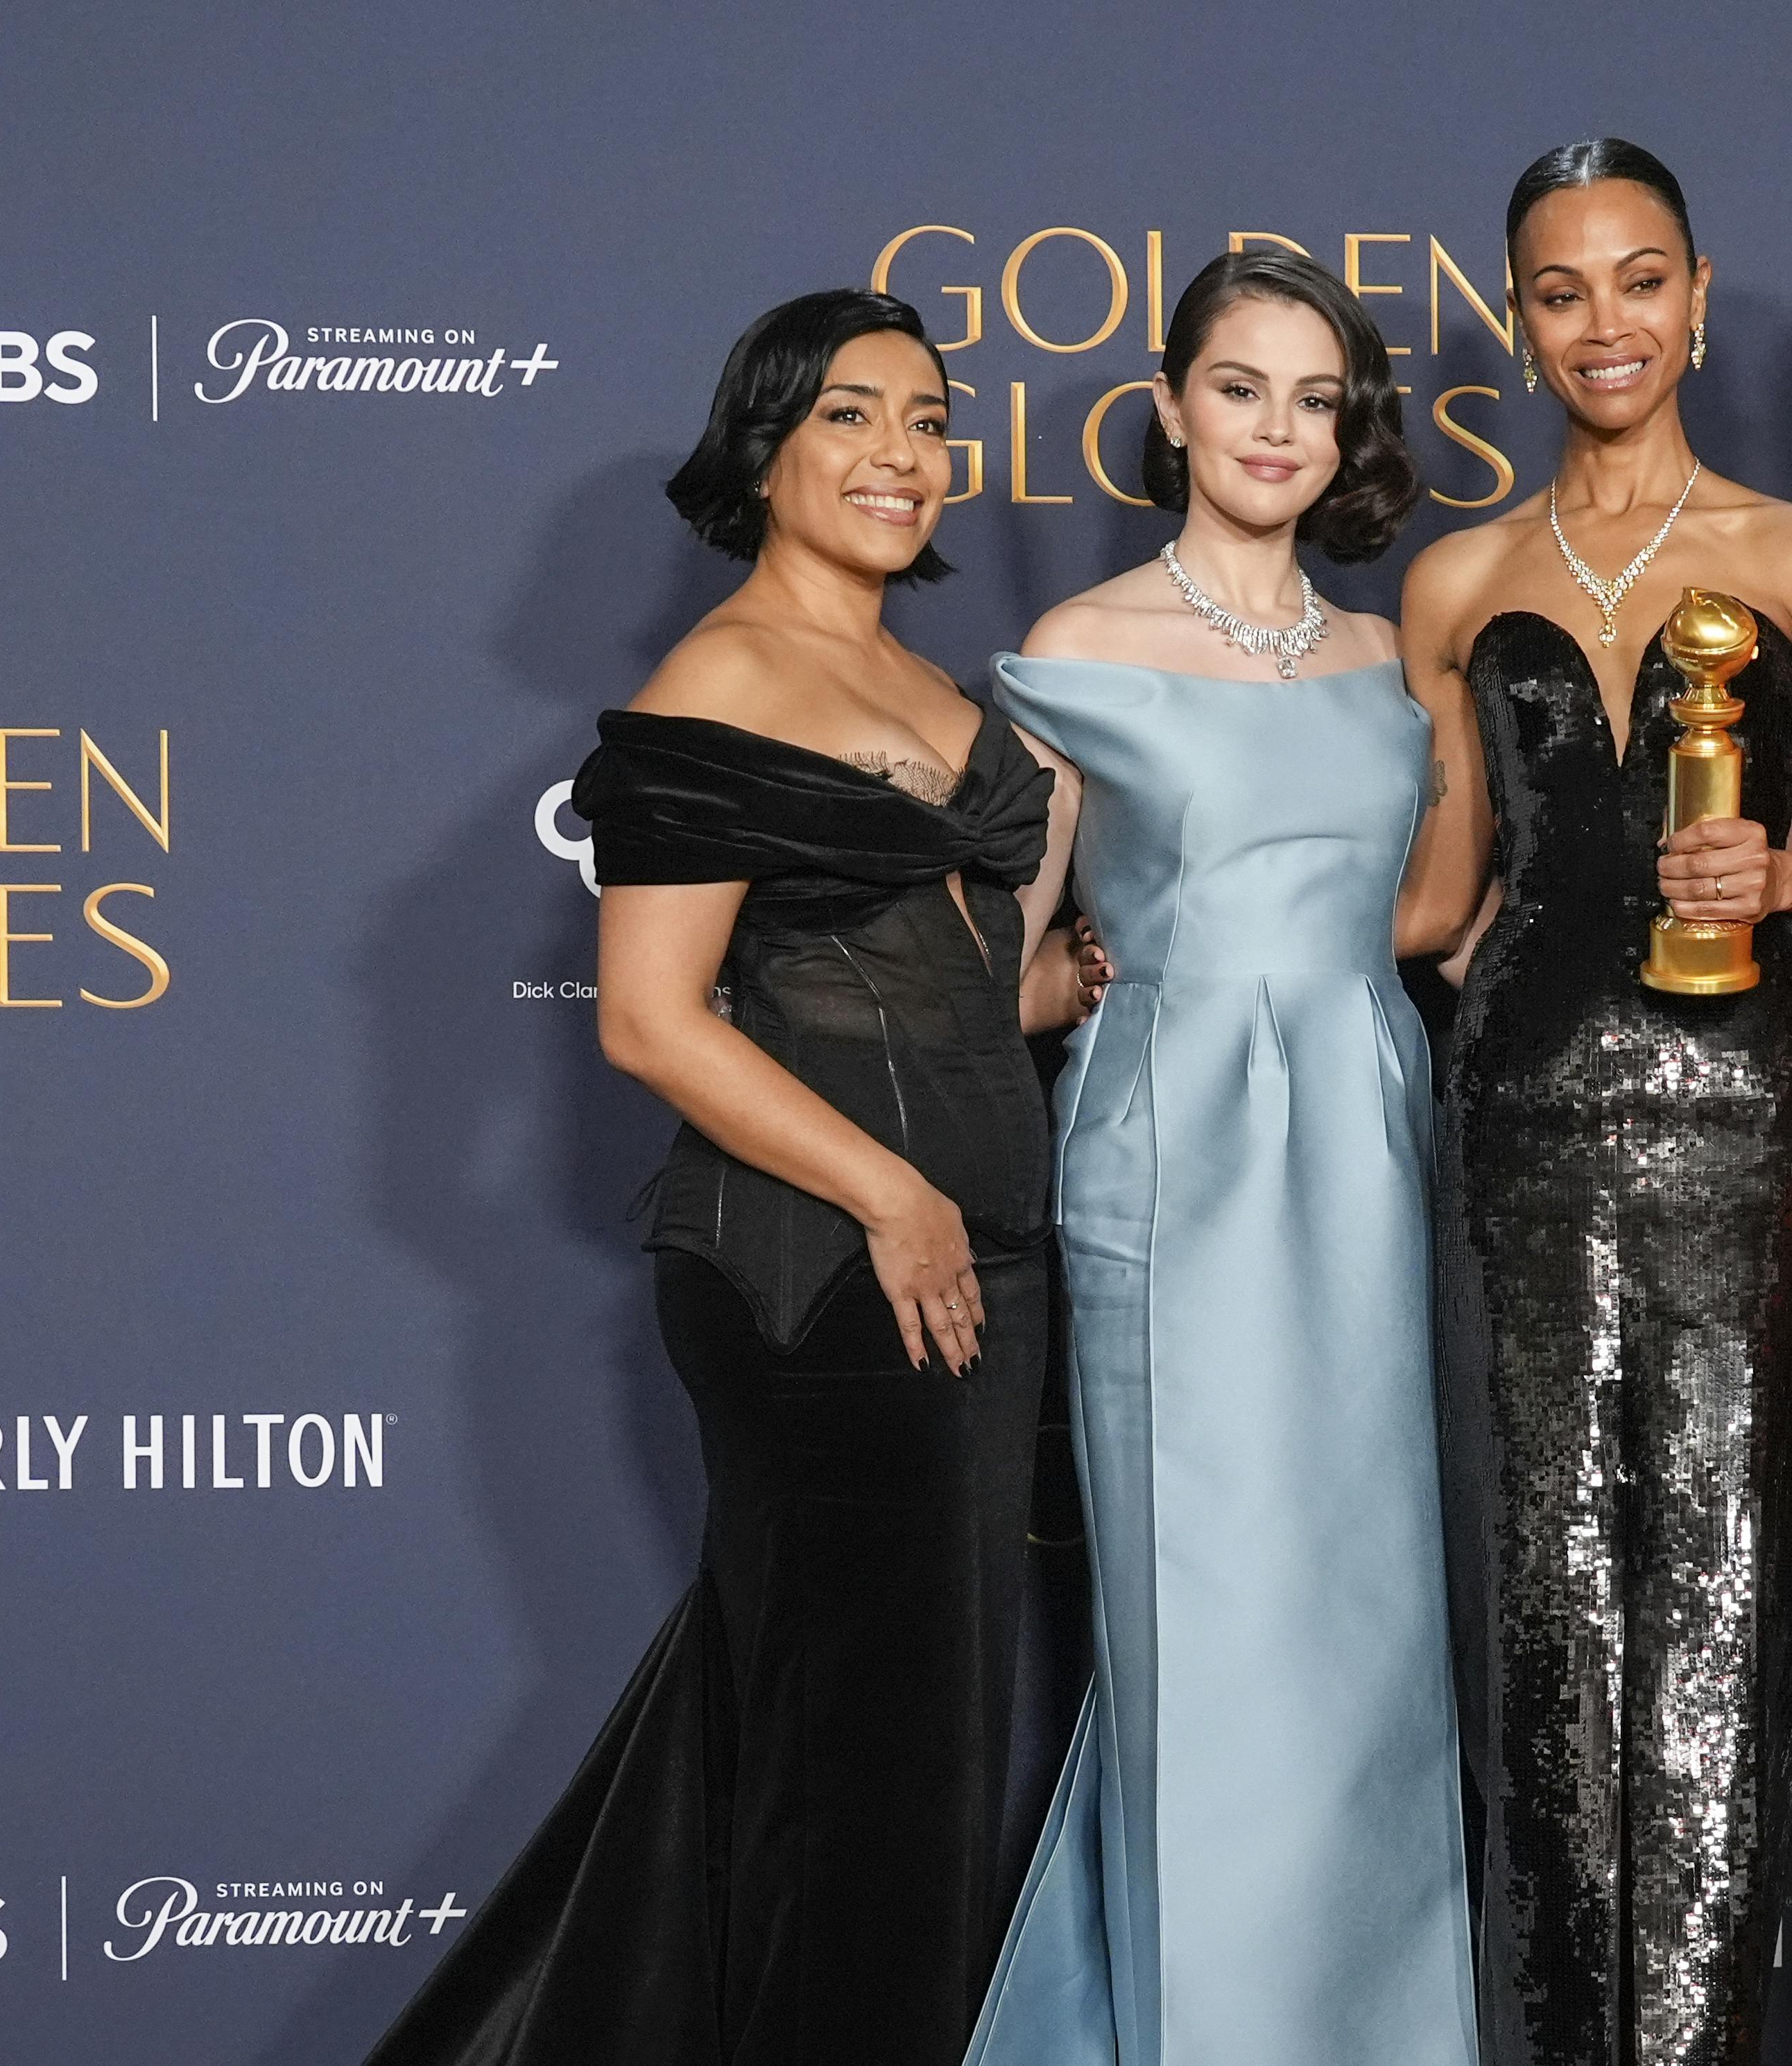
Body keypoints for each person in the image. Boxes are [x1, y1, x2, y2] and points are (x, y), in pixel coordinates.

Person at [361, 289, 1103, 2066]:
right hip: (822, 1275)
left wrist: (1063, 985)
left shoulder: (930, 684)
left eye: (928, 420)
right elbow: (648, 1018)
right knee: (874, 1773)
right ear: (765, 447)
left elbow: (962, 984)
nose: (901, 456)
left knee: (882, 1746)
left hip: (977, 1260)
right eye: (852, 417)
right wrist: (890, 1191)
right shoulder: (718, 678)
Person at [1399, 139, 1792, 2066]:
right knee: (1535, 1604)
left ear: (1694, 298)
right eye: (1556, 288)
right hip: (1514, 1114)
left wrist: (1781, 875)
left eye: (1635, 279)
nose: (1599, 320)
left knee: (1721, 1587)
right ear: (1518, 320)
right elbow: (1437, 902)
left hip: (1741, 1106)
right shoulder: (1456, 579)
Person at [963, 249, 1485, 2066]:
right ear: (1172, 405)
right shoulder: (1086, 652)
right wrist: (1065, 988)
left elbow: (1435, 916)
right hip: (1166, 1165)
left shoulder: (1385, 658)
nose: (1277, 428)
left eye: (1313, 396)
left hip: (1366, 1164)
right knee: (1205, 1620)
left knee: (1365, 1636)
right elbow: (992, 958)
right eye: (1241, 387)